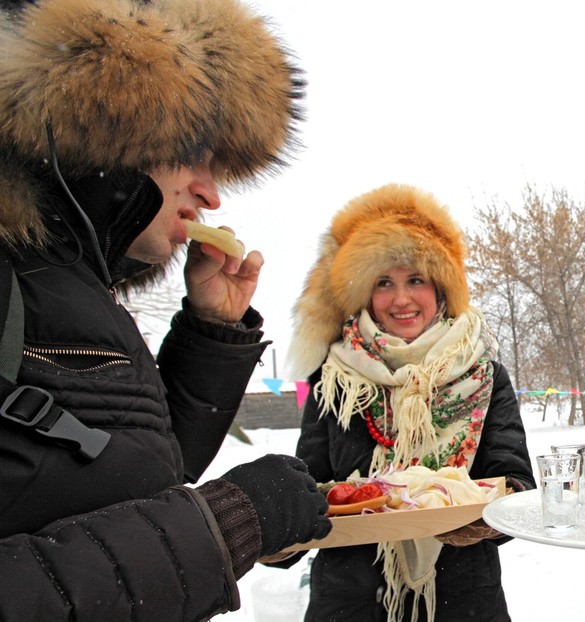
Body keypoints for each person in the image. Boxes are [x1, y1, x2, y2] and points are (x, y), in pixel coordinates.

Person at [0, 0, 333, 619]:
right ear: (112, 118)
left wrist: (210, 332)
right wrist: (221, 527)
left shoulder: (67, 285)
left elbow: (130, 473)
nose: (210, 191)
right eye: (192, 151)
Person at [285, 184, 535, 622]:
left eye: (415, 280)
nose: (401, 299)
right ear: (365, 293)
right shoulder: (334, 376)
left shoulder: (484, 373)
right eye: (384, 283)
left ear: (440, 289)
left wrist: (487, 515)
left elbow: (513, 480)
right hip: (351, 602)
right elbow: (313, 484)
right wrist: (280, 529)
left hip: (463, 600)